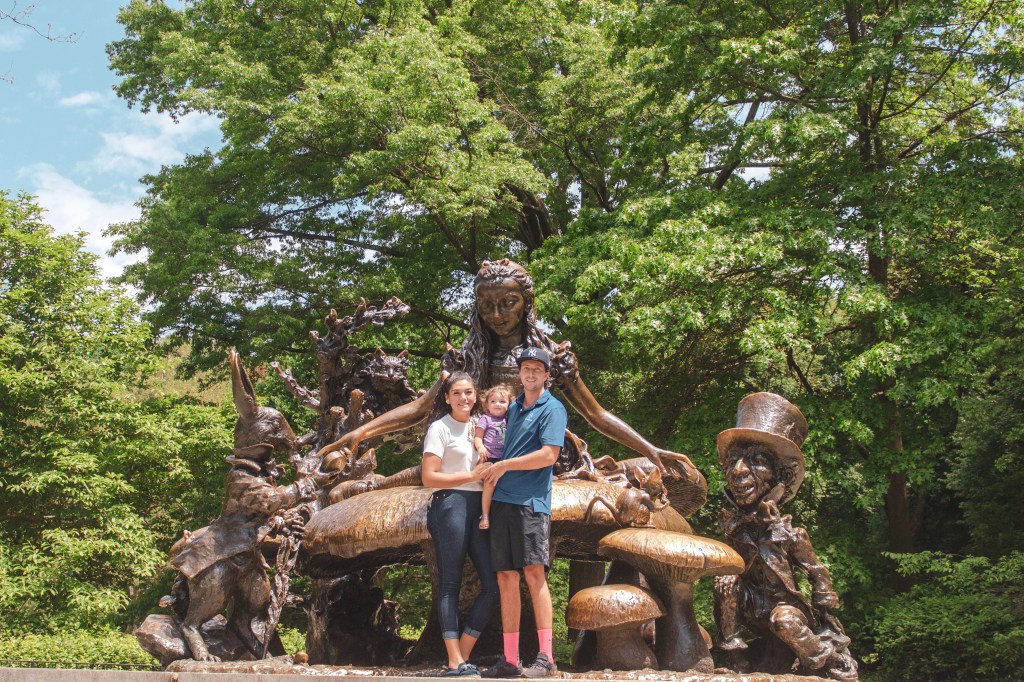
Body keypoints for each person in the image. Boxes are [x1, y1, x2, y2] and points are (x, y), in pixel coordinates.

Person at [319, 259, 699, 484]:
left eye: (508, 303)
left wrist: (650, 450)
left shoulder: (551, 358)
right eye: (487, 305)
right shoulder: (466, 360)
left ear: (526, 304)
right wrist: (359, 433)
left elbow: (595, 414)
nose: (497, 314)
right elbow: (420, 409)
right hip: (482, 458)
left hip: (538, 461)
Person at [713, 393, 857, 681]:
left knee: (784, 621)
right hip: (751, 606)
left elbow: (817, 573)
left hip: (785, 608)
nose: (738, 471)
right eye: (732, 461)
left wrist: (829, 622)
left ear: (780, 476)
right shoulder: (734, 528)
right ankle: (736, 660)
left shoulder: (790, 533)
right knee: (725, 582)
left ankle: (826, 659)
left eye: (756, 461)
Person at [480, 347, 566, 678]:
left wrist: (504, 465)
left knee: (534, 574)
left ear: (547, 375)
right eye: (526, 368)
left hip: (531, 502)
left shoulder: (553, 409)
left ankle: (547, 657)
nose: (530, 373)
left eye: (537, 369)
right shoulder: (514, 407)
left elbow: (548, 455)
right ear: (520, 373)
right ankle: (510, 660)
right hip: (501, 501)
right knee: (505, 577)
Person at [421, 371, 500, 677]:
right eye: (456, 393)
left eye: (468, 392)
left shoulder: (482, 425)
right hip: (449, 503)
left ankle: (461, 655)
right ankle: (455, 661)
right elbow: (429, 477)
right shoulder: (439, 428)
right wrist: (471, 476)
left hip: (481, 507)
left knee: (492, 586)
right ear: (446, 398)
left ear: (476, 395)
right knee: (450, 584)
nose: (463, 398)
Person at [474, 384, 513, 530]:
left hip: (505, 459)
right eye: (493, 401)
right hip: (490, 458)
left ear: (509, 405)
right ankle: (485, 515)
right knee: (489, 484)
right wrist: (481, 448)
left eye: (502, 401)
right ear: (487, 405)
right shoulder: (485, 419)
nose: (498, 404)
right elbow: (478, 437)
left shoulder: (509, 420)